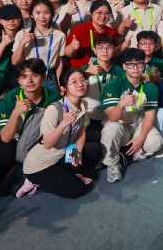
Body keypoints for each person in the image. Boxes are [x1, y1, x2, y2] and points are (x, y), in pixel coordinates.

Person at [18, 67, 103, 199]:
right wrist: (63, 124)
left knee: (95, 150)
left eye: (82, 80)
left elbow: (82, 131)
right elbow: (47, 144)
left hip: (63, 154)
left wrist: (78, 152)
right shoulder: (54, 109)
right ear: (63, 88)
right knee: (78, 190)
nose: (80, 84)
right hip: (40, 164)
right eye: (74, 82)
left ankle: (63, 174)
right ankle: (33, 181)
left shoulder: (83, 103)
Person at [0, 59, 58, 197]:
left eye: (34, 75)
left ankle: (25, 174)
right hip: (15, 139)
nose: (29, 81)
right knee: (2, 153)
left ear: (44, 77)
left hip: (39, 139)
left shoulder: (53, 95)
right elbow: (5, 137)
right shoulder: (10, 98)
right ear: (19, 81)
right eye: (24, 77)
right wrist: (15, 113)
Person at [101, 48, 163, 183]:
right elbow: (112, 117)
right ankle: (112, 163)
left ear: (144, 65)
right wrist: (121, 104)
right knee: (111, 127)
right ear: (124, 66)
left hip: (138, 123)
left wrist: (141, 138)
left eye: (139, 63)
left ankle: (133, 155)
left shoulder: (150, 87)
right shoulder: (113, 85)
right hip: (121, 125)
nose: (135, 67)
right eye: (130, 64)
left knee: (156, 143)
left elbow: (149, 116)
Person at [11, 0, 66, 89]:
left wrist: (60, 83)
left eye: (46, 13)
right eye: (38, 13)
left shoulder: (59, 35)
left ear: (52, 14)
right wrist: (23, 43)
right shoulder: (22, 34)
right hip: (28, 75)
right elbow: (14, 62)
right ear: (31, 15)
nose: (42, 16)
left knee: (52, 98)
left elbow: (59, 62)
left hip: (49, 76)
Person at [64, 0, 120, 68]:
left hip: (103, 70)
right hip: (80, 70)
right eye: (99, 12)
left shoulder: (111, 32)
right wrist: (73, 47)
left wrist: (124, 46)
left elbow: (114, 54)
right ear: (91, 13)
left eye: (107, 13)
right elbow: (68, 54)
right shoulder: (79, 29)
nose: (103, 16)